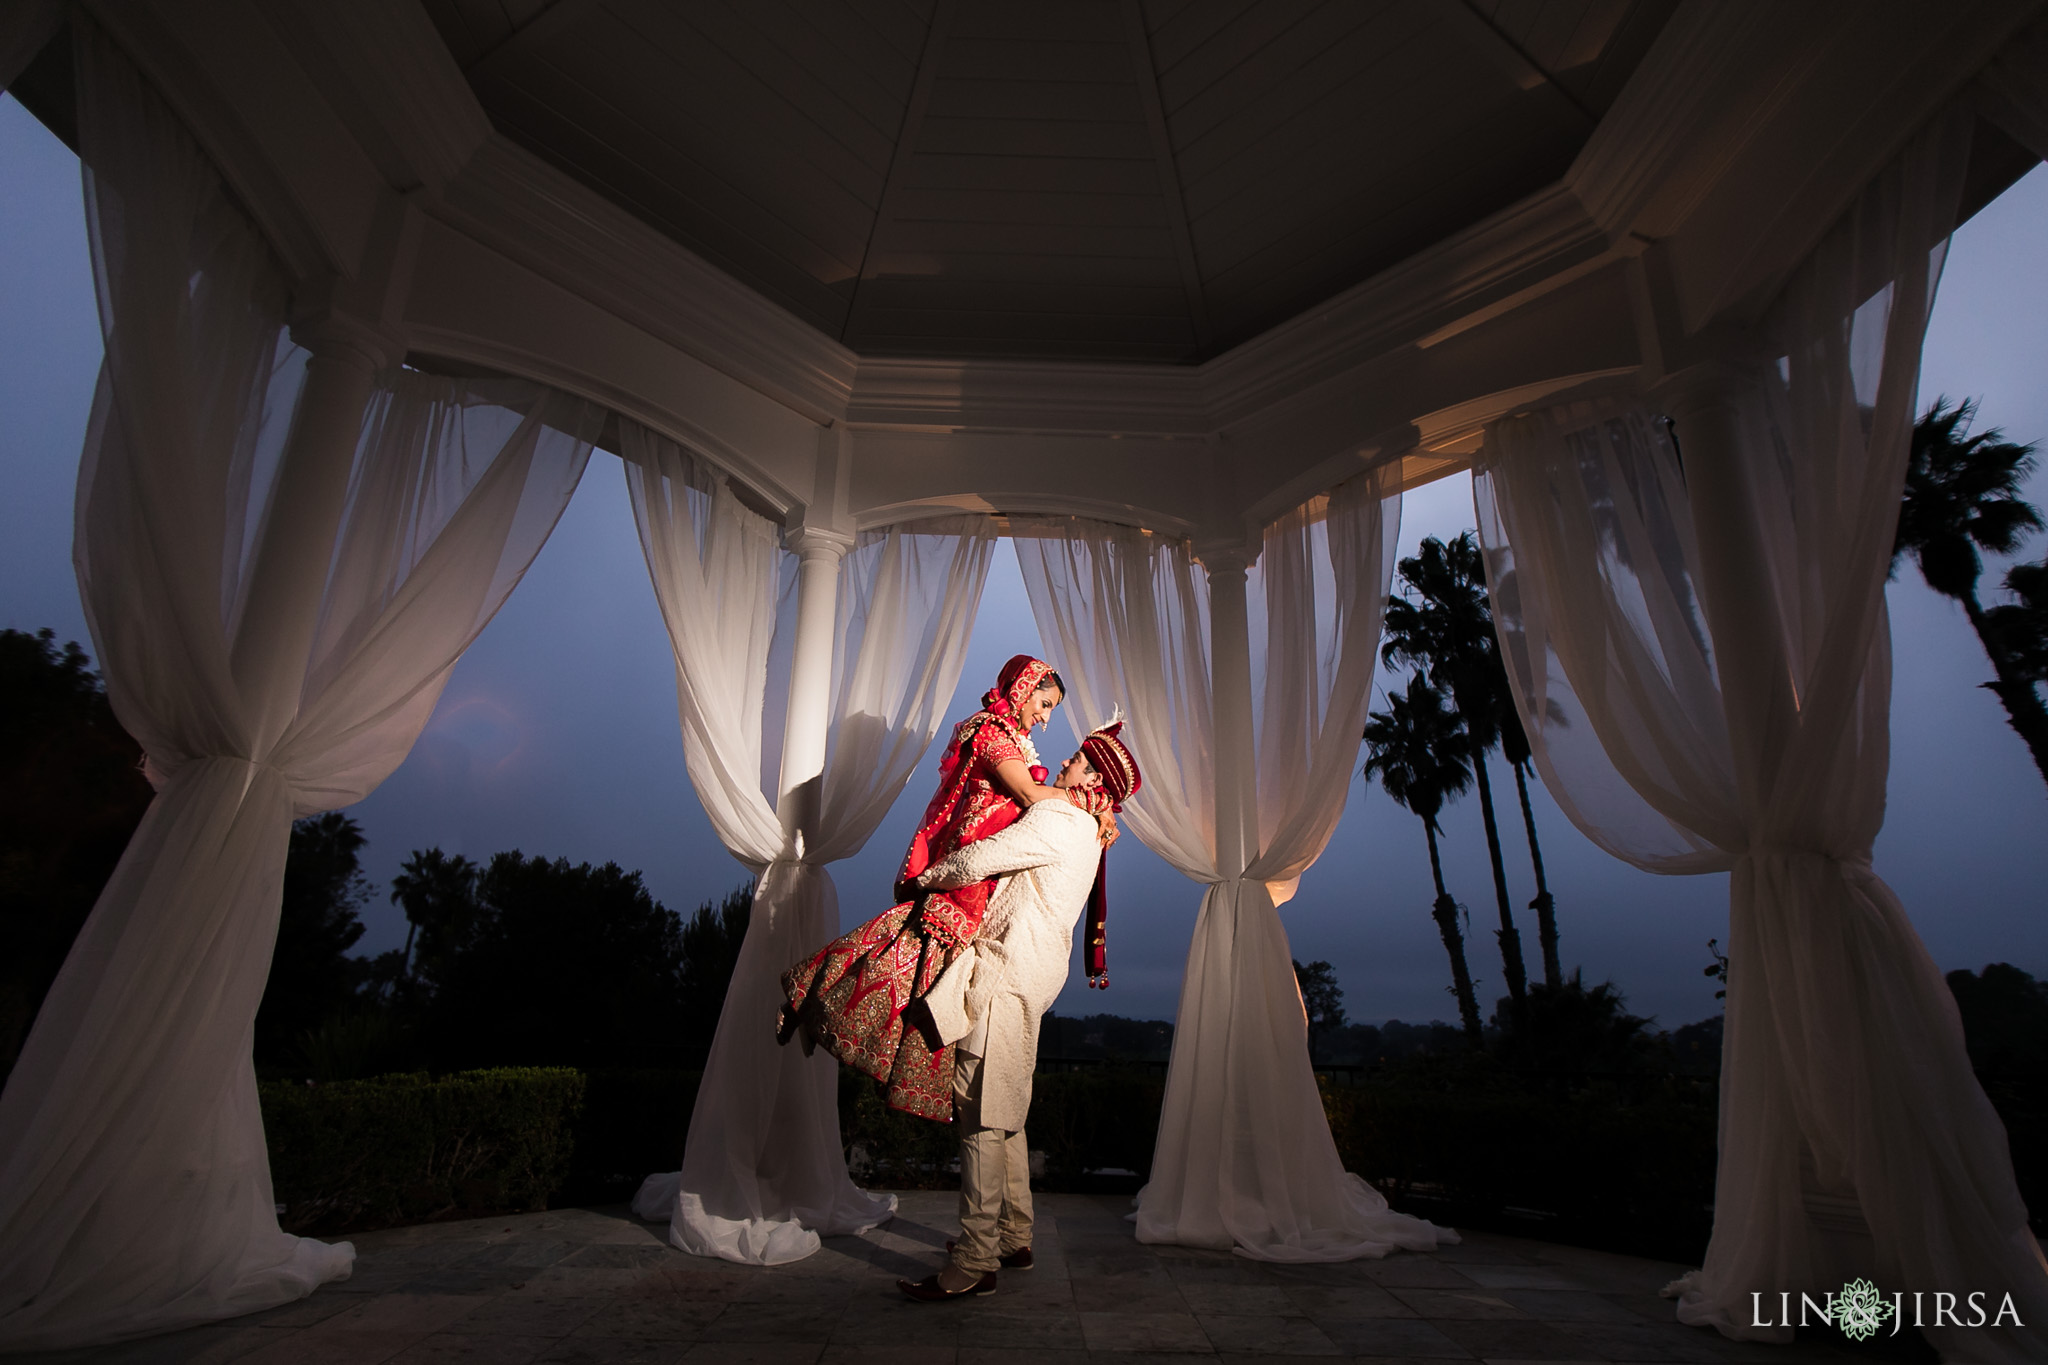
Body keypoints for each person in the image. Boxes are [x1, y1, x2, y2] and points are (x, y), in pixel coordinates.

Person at [780, 655, 1116, 1119]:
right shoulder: (990, 731)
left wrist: (1100, 806)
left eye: (1051, 709)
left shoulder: (1014, 739)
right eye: (1044, 704)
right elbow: (1030, 796)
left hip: (981, 878)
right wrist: (1093, 802)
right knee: (907, 950)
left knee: (920, 970)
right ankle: (811, 1001)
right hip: (968, 862)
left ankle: (815, 1007)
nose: (1045, 717)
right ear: (1021, 690)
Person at [898, 719, 1142, 1302]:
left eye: (1079, 764)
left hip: (1005, 976)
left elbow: (982, 857)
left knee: (979, 1111)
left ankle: (975, 1260)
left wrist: (924, 879)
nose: (1063, 766)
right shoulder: (1089, 830)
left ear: (1096, 785)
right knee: (1004, 1102)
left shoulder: (1061, 818)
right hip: (1034, 976)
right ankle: (1015, 1235)